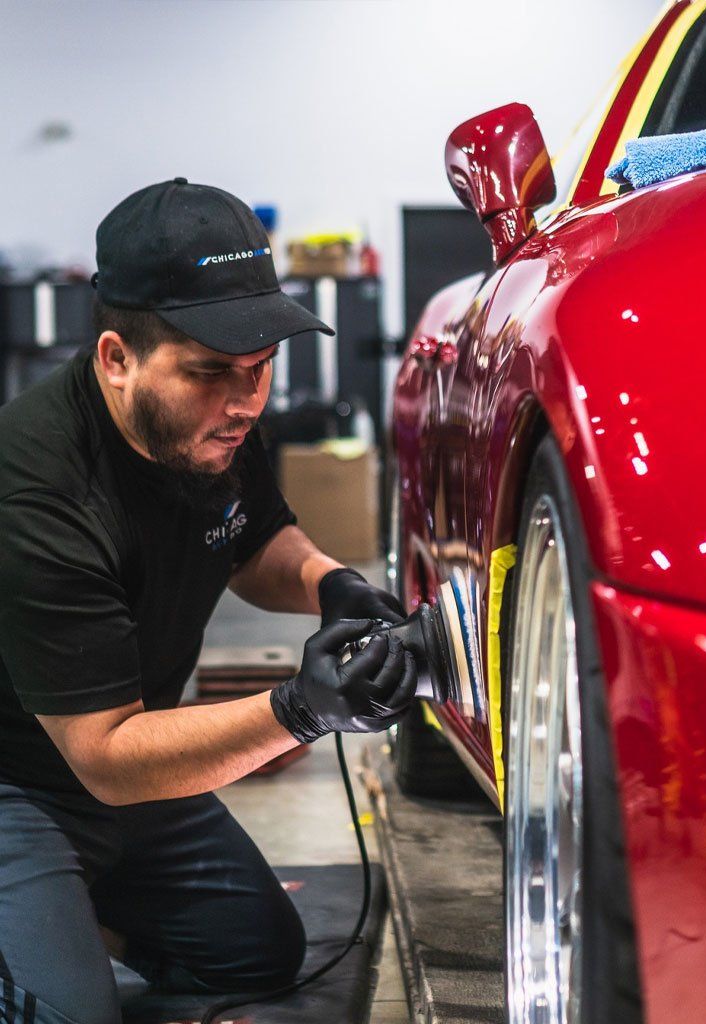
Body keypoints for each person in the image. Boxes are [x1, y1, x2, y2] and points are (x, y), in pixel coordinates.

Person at [0, 178, 415, 1023]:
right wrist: (302, 710)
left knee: (255, 951)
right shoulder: (37, 493)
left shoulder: (210, 422)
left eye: (262, 369)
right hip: (25, 783)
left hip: (119, 773)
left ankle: (74, 914)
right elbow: (108, 756)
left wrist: (328, 583)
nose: (247, 401)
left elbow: (252, 538)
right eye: (212, 372)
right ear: (116, 358)